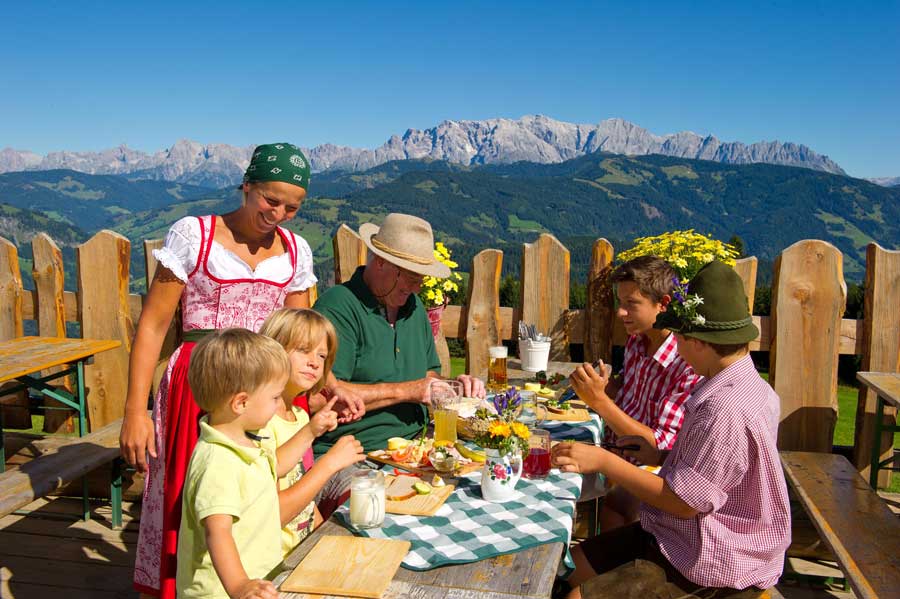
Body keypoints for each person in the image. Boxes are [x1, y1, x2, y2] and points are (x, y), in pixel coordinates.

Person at [120, 143, 361, 597]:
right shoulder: (197, 235)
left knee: (258, 489)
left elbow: (301, 336)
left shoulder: (295, 250)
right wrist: (136, 410)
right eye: (271, 200)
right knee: (195, 493)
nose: (280, 214)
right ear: (247, 186)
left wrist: (329, 386)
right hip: (199, 380)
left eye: (293, 206)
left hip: (266, 389)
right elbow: (152, 327)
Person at [552, 261, 791, 599]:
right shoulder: (746, 384)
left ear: (697, 341)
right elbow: (718, 468)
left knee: (573, 596)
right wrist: (663, 454)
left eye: (678, 337)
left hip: (708, 558)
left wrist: (604, 462)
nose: (675, 345)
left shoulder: (725, 409)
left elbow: (683, 503)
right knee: (564, 569)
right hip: (672, 533)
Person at [312, 213, 486, 456]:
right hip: (358, 453)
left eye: (421, 280)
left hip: (419, 443)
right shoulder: (338, 307)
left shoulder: (413, 307)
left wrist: (453, 386)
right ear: (381, 262)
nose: (417, 288)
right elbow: (318, 399)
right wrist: (408, 391)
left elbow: (427, 375)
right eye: (412, 278)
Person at [568, 256, 701, 529]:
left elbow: (659, 445)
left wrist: (599, 401)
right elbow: (629, 396)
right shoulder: (638, 341)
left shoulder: (685, 361)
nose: (620, 312)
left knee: (613, 508)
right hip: (610, 450)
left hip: (651, 472)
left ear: (663, 304)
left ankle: (606, 567)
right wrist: (606, 386)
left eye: (632, 304)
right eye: (620, 302)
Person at [176, 328, 288, 599]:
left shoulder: (247, 442)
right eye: (275, 397)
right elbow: (218, 531)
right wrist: (239, 585)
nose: (279, 404)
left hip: (257, 583)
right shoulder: (218, 460)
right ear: (241, 402)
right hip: (222, 593)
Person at [258, 307, 367, 548]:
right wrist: (330, 463)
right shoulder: (259, 423)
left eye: (321, 356)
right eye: (304, 350)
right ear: (272, 350)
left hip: (301, 548)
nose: (314, 363)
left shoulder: (298, 415)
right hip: (274, 565)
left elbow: (305, 503)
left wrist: (324, 540)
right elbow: (272, 515)